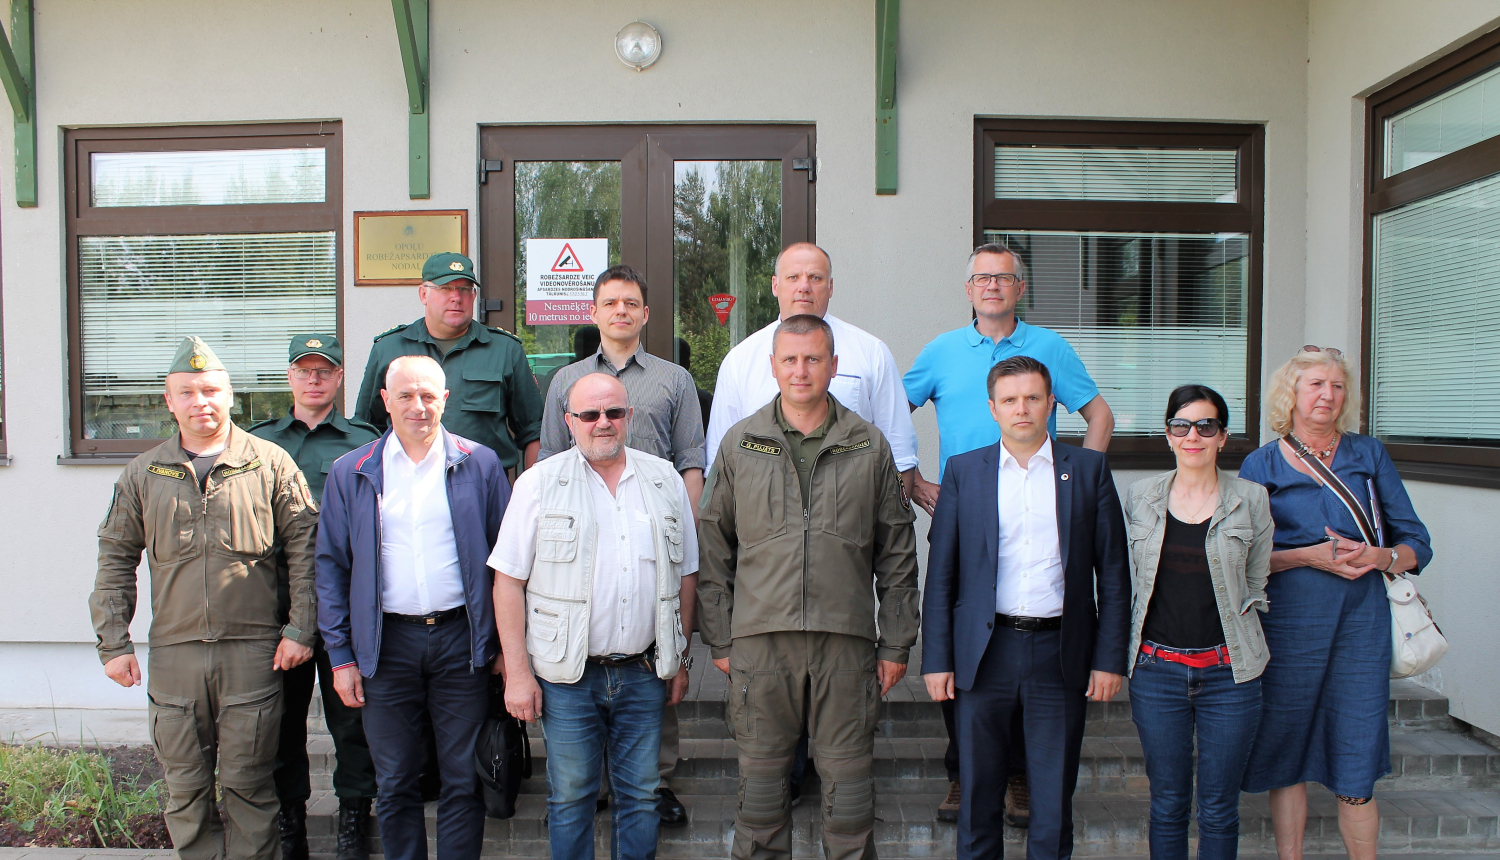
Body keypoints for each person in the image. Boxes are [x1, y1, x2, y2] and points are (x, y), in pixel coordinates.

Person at [904, 241, 1117, 824]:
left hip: (1038, 509)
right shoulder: (943, 350)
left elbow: (1100, 415)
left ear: (1020, 287)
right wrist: (915, 481)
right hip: (968, 516)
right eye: (981, 278)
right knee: (965, 635)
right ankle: (964, 774)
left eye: (1004, 278)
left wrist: (1078, 485)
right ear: (968, 289)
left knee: (1036, 659)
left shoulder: (1049, 348)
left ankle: (1022, 776)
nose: (992, 286)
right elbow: (895, 414)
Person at [699, 314, 920, 860]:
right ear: (773, 366)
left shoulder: (868, 446)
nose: (801, 371)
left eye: (814, 359)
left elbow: (896, 553)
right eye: (790, 360)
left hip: (844, 646)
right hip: (760, 644)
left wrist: (894, 643)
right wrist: (722, 638)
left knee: (848, 802)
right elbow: (712, 546)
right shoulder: (740, 442)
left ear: (834, 366)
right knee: (761, 799)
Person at [91, 336, 319, 860]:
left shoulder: (270, 464)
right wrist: (113, 643)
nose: (201, 402)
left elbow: (307, 552)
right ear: (168, 401)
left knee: (250, 788)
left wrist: (300, 628)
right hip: (175, 656)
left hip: (253, 654)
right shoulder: (143, 474)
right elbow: (114, 559)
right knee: (185, 790)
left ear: (231, 395)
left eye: (211, 390)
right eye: (187, 392)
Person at [920, 355, 1130, 860]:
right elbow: (941, 575)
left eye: (1033, 398)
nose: (1022, 409)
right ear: (992, 408)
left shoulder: (1088, 470)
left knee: (1052, 803)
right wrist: (937, 659)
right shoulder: (964, 472)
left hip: (1059, 653)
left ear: (1051, 404)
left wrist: (1108, 660)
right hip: (982, 655)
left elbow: (1115, 574)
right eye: (1010, 400)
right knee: (978, 798)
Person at [492, 372, 698, 860]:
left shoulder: (664, 479)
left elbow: (687, 575)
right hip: (567, 679)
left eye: (614, 412)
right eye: (589, 414)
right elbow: (507, 582)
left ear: (629, 416)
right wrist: (517, 674)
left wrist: (681, 658)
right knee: (571, 798)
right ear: (569, 421)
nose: (602, 423)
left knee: (642, 798)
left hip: (645, 672)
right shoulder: (538, 483)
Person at [1238, 346, 1433, 860]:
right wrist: (1310, 556)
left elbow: (1417, 544)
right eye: (1316, 385)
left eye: (1337, 386)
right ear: (1292, 395)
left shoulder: (1368, 454)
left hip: (1359, 625)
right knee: (1288, 743)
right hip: (1289, 625)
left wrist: (1379, 555)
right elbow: (1245, 559)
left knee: (1358, 743)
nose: (1328, 394)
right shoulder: (1260, 463)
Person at [316, 355, 511, 860]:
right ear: (385, 400)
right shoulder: (351, 471)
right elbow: (331, 568)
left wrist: (509, 646)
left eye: (428, 395)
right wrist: (340, 656)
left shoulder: (481, 464)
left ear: (445, 399)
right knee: (397, 780)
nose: (418, 406)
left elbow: (510, 563)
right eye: (405, 395)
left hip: (461, 641)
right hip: (386, 645)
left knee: (463, 779)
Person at [536, 265, 705, 825]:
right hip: (584, 541)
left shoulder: (674, 380)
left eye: (631, 303)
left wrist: (685, 534)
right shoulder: (566, 381)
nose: (621, 312)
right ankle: (597, 786)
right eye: (610, 303)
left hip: (651, 534)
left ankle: (656, 783)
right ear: (594, 312)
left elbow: (691, 463)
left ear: (646, 313)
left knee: (652, 656)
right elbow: (551, 466)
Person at [1124, 385, 1273, 860]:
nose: (1193, 436)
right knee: (1167, 803)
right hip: (1156, 671)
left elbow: (1256, 580)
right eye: (1181, 425)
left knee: (1218, 807)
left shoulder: (1252, 499)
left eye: (1206, 426)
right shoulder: (1139, 498)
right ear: (1168, 434)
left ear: (1222, 437)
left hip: (1230, 673)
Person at [248, 334, 381, 860]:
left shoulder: (365, 440)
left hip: (346, 604)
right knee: (281, 723)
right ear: (289, 377)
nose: (313, 378)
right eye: (304, 370)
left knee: (352, 720)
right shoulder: (257, 444)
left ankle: (353, 818)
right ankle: (290, 825)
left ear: (340, 376)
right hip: (279, 607)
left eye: (324, 370)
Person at [704, 242, 918, 480]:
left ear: (831, 286)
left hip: (849, 509)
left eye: (815, 278)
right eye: (793, 277)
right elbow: (719, 463)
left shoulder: (871, 353)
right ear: (775, 285)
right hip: (762, 512)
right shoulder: (740, 360)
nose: (804, 287)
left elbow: (900, 457)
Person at [354, 251, 544, 476]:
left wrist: (532, 496)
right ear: (423, 294)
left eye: (465, 289)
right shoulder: (389, 349)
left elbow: (534, 431)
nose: (456, 297)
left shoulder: (504, 349)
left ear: (473, 296)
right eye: (445, 288)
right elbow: (366, 428)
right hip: (405, 482)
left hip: (484, 484)